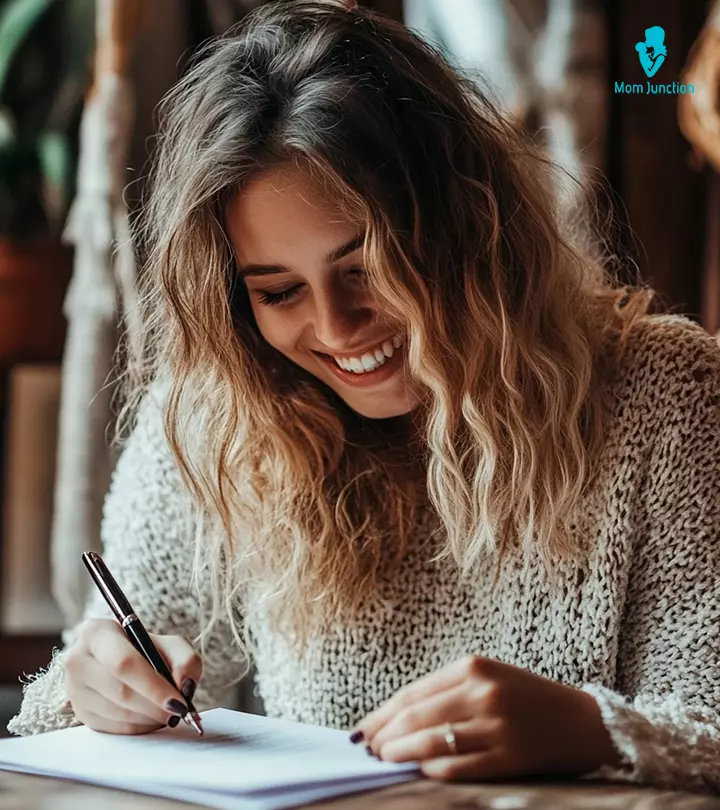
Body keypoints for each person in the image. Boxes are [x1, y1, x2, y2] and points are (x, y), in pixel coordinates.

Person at [8, 0, 720, 795]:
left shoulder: (665, 395)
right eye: (278, 291)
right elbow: (89, 702)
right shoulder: (227, 415)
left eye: (367, 266)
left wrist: (590, 729)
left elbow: (711, 724)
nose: (337, 327)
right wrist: (92, 687)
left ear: (467, 222)